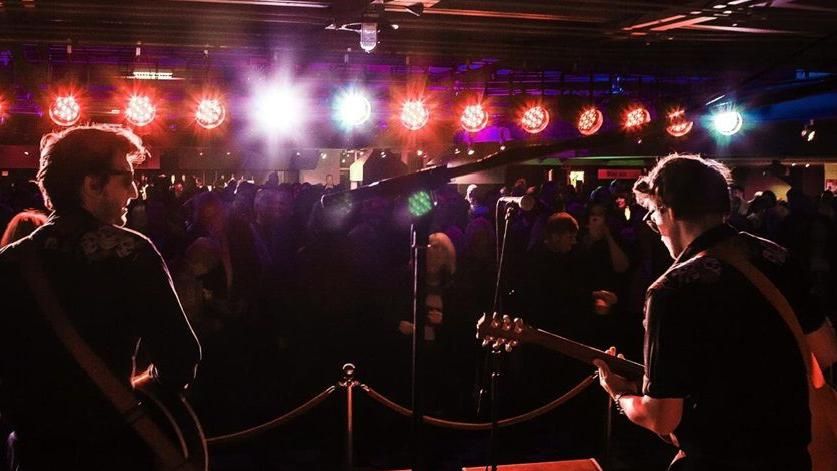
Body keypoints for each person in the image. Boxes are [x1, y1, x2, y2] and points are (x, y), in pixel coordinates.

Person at [594, 154, 837, 471]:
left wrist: (620, 395)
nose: (657, 227)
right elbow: (827, 350)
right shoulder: (775, 257)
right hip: (790, 457)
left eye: (653, 216)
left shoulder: (672, 290)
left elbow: (662, 417)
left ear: (667, 211)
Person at [0, 124, 201, 470]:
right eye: (126, 178)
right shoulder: (130, 252)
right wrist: (133, 397)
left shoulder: (10, 260)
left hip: (34, 451)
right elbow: (181, 355)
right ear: (91, 184)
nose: (135, 191)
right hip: (110, 450)